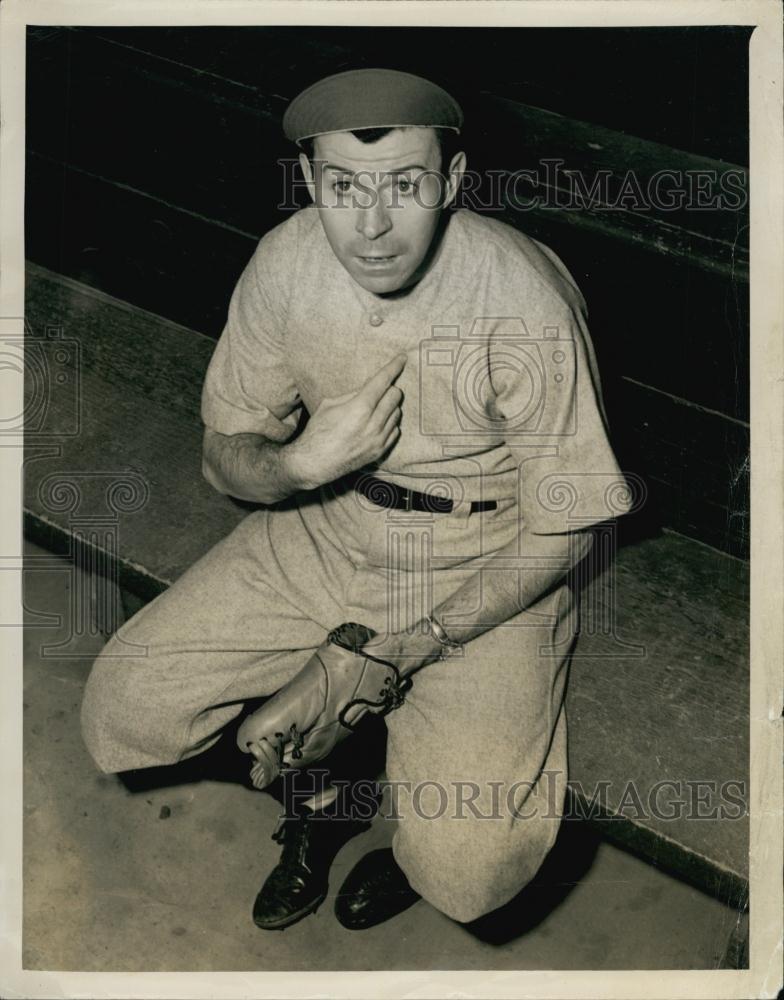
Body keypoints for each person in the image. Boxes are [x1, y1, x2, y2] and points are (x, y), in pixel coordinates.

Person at [81, 67, 632, 932]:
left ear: (451, 181)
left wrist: (381, 658)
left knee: (470, 875)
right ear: (311, 181)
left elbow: (575, 525)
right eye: (343, 186)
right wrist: (297, 467)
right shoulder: (285, 261)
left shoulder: (523, 299)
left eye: (405, 185)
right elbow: (226, 459)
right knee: (127, 709)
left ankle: (404, 826)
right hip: (321, 529)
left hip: (480, 569)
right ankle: (325, 794)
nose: (370, 225)